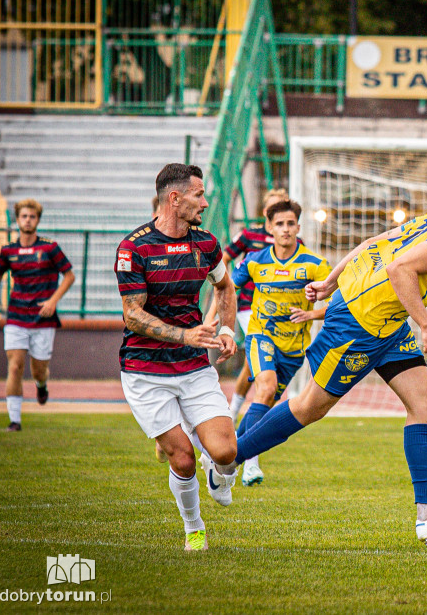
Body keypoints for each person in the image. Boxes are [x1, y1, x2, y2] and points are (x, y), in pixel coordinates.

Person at [207, 188, 427, 543]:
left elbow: (376, 241)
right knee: (309, 407)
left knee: (425, 404)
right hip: (360, 323)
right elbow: (400, 269)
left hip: (387, 323)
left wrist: (330, 280)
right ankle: (228, 459)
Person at [115, 163, 240, 551]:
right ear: (175, 198)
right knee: (183, 459)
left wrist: (227, 330)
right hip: (144, 370)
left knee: (226, 451)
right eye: (198, 195)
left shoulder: (205, 243)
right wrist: (186, 334)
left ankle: (220, 474)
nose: (204, 202)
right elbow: (132, 315)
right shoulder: (133, 247)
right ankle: (194, 527)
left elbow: (226, 287)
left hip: (192, 366)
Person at [230, 199, 330, 487]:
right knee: (267, 387)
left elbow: (339, 303)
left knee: (266, 402)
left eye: (290, 224)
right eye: (279, 224)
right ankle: (249, 463)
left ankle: (227, 451)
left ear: (298, 227)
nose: (285, 229)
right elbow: (227, 288)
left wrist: (312, 312)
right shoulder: (254, 259)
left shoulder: (314, 265)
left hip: (294, 348)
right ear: (268, 227)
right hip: (260, 333)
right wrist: (219, 324)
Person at [0, 199, 75, 431]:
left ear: (37, 220)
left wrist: (53, 301)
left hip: (43, 319)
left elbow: (69, 276)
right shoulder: (8, 251)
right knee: (15, 365)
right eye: (24, 216)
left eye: (32, 217)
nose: (28, 220)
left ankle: (41, 384)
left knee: (38, 368)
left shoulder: (49, 248)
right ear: (17, 219)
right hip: (16, 316)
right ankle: (15, 420)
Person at [207, 188, 290, 420]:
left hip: (279, 313)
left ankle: (243, 411)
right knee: (260, 359)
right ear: (266, 212)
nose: (282, 216)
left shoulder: (292, 241)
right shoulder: (249, 236)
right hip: (248, 308)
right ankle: (238, 412)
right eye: (276, 208)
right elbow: (224, 258)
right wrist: (223, 287)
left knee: (259, 363)